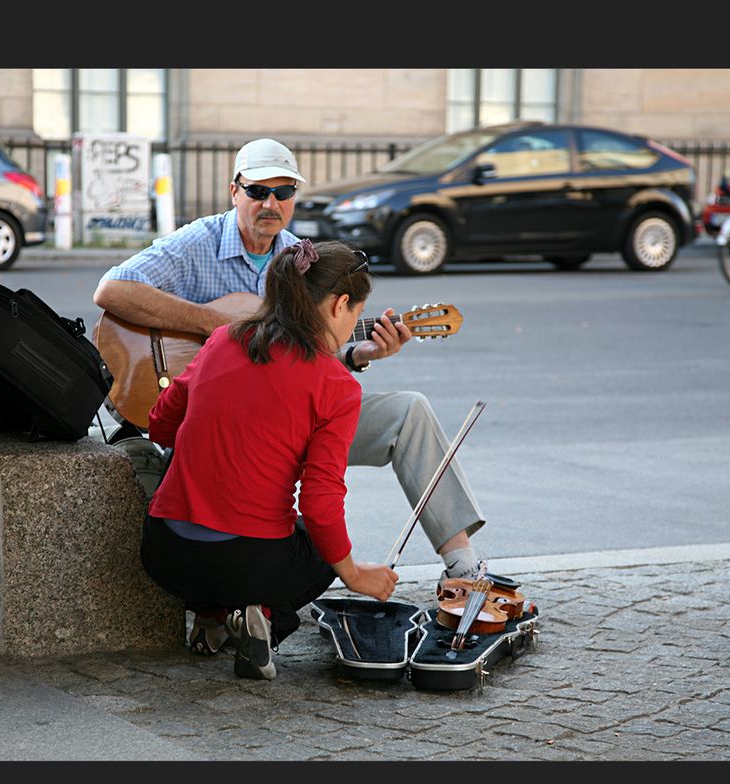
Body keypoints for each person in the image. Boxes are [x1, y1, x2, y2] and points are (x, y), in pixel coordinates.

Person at [94, 138, 494, 652]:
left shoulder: (302, 259)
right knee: (299, 524)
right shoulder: (197, 244)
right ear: (234, 191)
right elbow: (112, 291)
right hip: (225, 423)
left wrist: (359, 355)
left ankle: (461, 562)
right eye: (258, 190)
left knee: (409, 410)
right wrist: (215, 322)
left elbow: (311, 367)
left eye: (284, 192)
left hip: (282, 422)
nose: (271, 204)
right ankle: (242, 604)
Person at [140, 239, 398, 680]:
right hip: (249, 564)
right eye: (357, 311)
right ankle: (261, 618)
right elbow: (320, 503)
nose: (356, 320)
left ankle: (212, 618)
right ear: (339, 306)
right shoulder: (337, 385)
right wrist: (354, 575)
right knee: (321, 550)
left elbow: (161, 425)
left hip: (165, 554)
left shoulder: (223, 339)